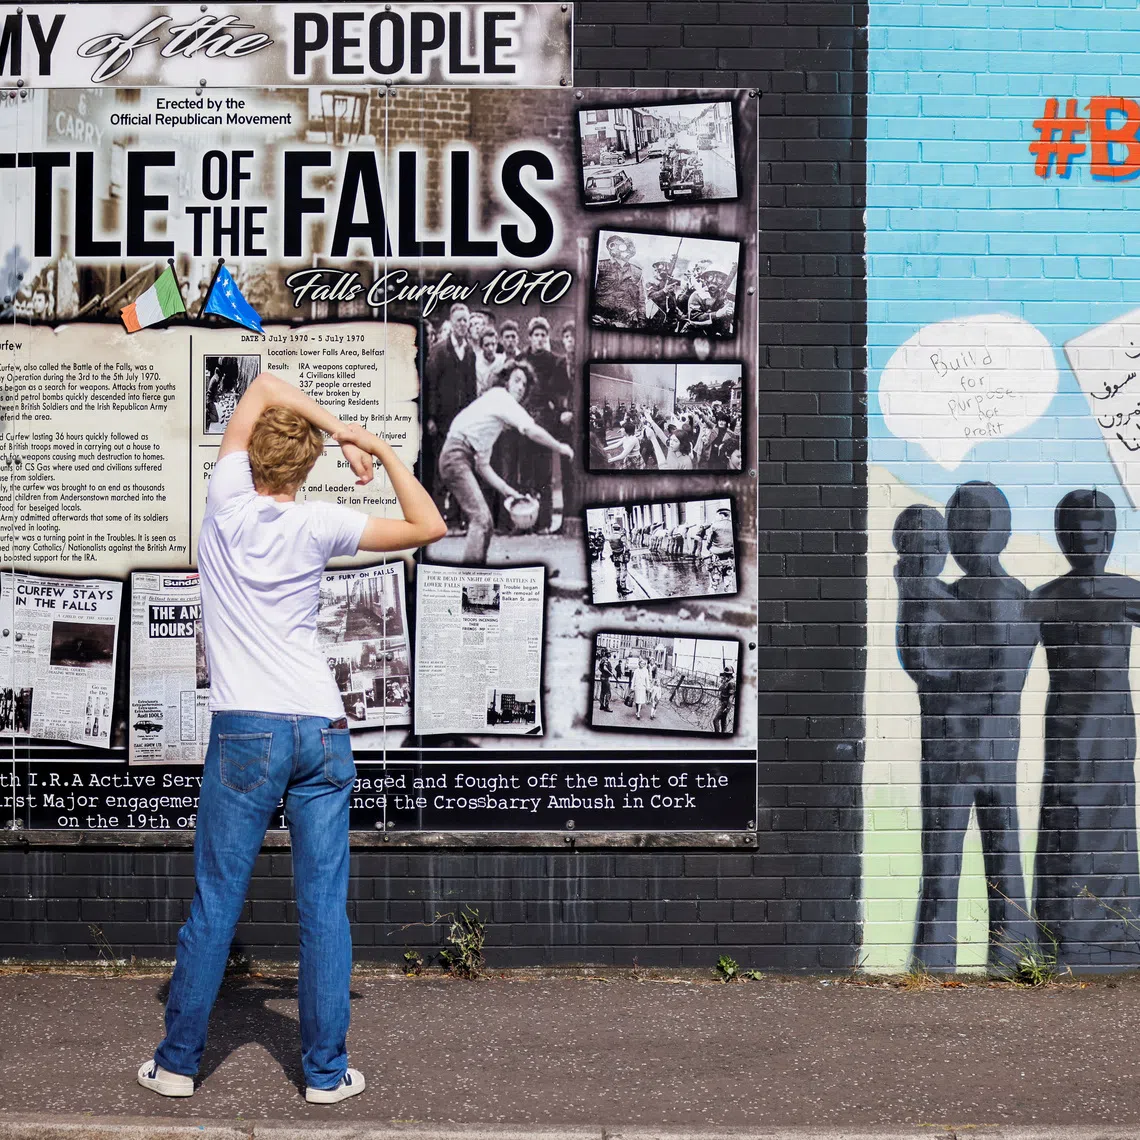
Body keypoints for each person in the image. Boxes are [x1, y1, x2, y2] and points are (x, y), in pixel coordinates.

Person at [137, 370, 445, 1104]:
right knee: (323, 910)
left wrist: (332, 424)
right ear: (305, 468)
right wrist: (371, 444)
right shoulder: (319, 524)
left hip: (247, 731)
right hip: (322, 727)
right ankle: (325, 1074)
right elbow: (429, 525)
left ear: (247, 459)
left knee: (217, 899)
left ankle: (179, 1064)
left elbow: (265, 385)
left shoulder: (224, 505)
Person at [897, 483, 1037, 972]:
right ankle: (1005, 957)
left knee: (946, 866)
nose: (963, 536)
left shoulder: (996, 598)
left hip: (956, 751)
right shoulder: (1015, 598)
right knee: (990, 862)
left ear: (1001, 531)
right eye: (958, 525)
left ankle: (938, 963)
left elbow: (932, 663)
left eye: (972, 524)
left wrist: (916, 591)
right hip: (983, 749)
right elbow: (925, 661)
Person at [1032, 489, 1140, 966]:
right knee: (1078, 828)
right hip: (1083, 735)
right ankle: (1081, 938)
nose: (1089, 538)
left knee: (1088, 829)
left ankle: (1092, 939)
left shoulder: (1048, 598)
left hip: (1098, 734)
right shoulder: (1051, 599)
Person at [437, 360, 574, 564]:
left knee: (486, 523)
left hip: (457, 456)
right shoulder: (500, 397)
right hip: (455, 456)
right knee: (481, 520)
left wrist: (511, 493)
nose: (520, 387)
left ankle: (476, 573)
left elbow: (483, 466)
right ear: (506, 382)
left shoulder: (492, 418)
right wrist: (559, 446)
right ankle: (468, 579)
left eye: (524, 384)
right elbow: (530, 429)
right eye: (516, 380)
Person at [423, 302, 477, 522]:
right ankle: (437, 517)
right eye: (459, 321)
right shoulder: (439, 351)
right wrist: (431, 418)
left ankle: (456, 519)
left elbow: (472, 388)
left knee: (459, 468)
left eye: (466, 320)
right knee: (440, 469)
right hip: (442, 420)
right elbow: (431, 386)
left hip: (463, 422)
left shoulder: (470, 352)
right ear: (452, 324)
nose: (463, 325)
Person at [593, 234, 645, 328]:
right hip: (600, 318)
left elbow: (641, 301)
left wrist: (642, 323)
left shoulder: (636, 272)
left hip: (624, 322)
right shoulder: (600, 265)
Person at [712, 665, 735, 734]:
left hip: (725, 704)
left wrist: (727, 708)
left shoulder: (731, 683)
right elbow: (720, 688)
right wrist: (723, 682)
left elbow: (731, 697)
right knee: (723, 721)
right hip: (723, 703)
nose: (724, 675)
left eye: (725, 674)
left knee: (715, 720)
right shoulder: (727, 682)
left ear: (728, 674)